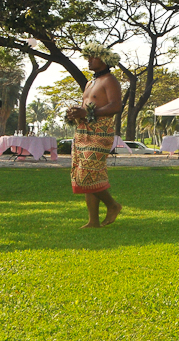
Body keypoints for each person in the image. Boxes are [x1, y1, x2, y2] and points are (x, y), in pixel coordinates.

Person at [66, 42, 123, 229]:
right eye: (88, 57)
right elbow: (86, 107)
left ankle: (112, 205)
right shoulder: (90, 82)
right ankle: (93, 221)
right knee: (85, 173)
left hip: (101, 131)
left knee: (87, 172)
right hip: (83, 132)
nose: (89, 60)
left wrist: (89, 114)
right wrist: (76, 113)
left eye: (93, 57)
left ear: (104, 60)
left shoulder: (110, 80)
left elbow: (115, 106)